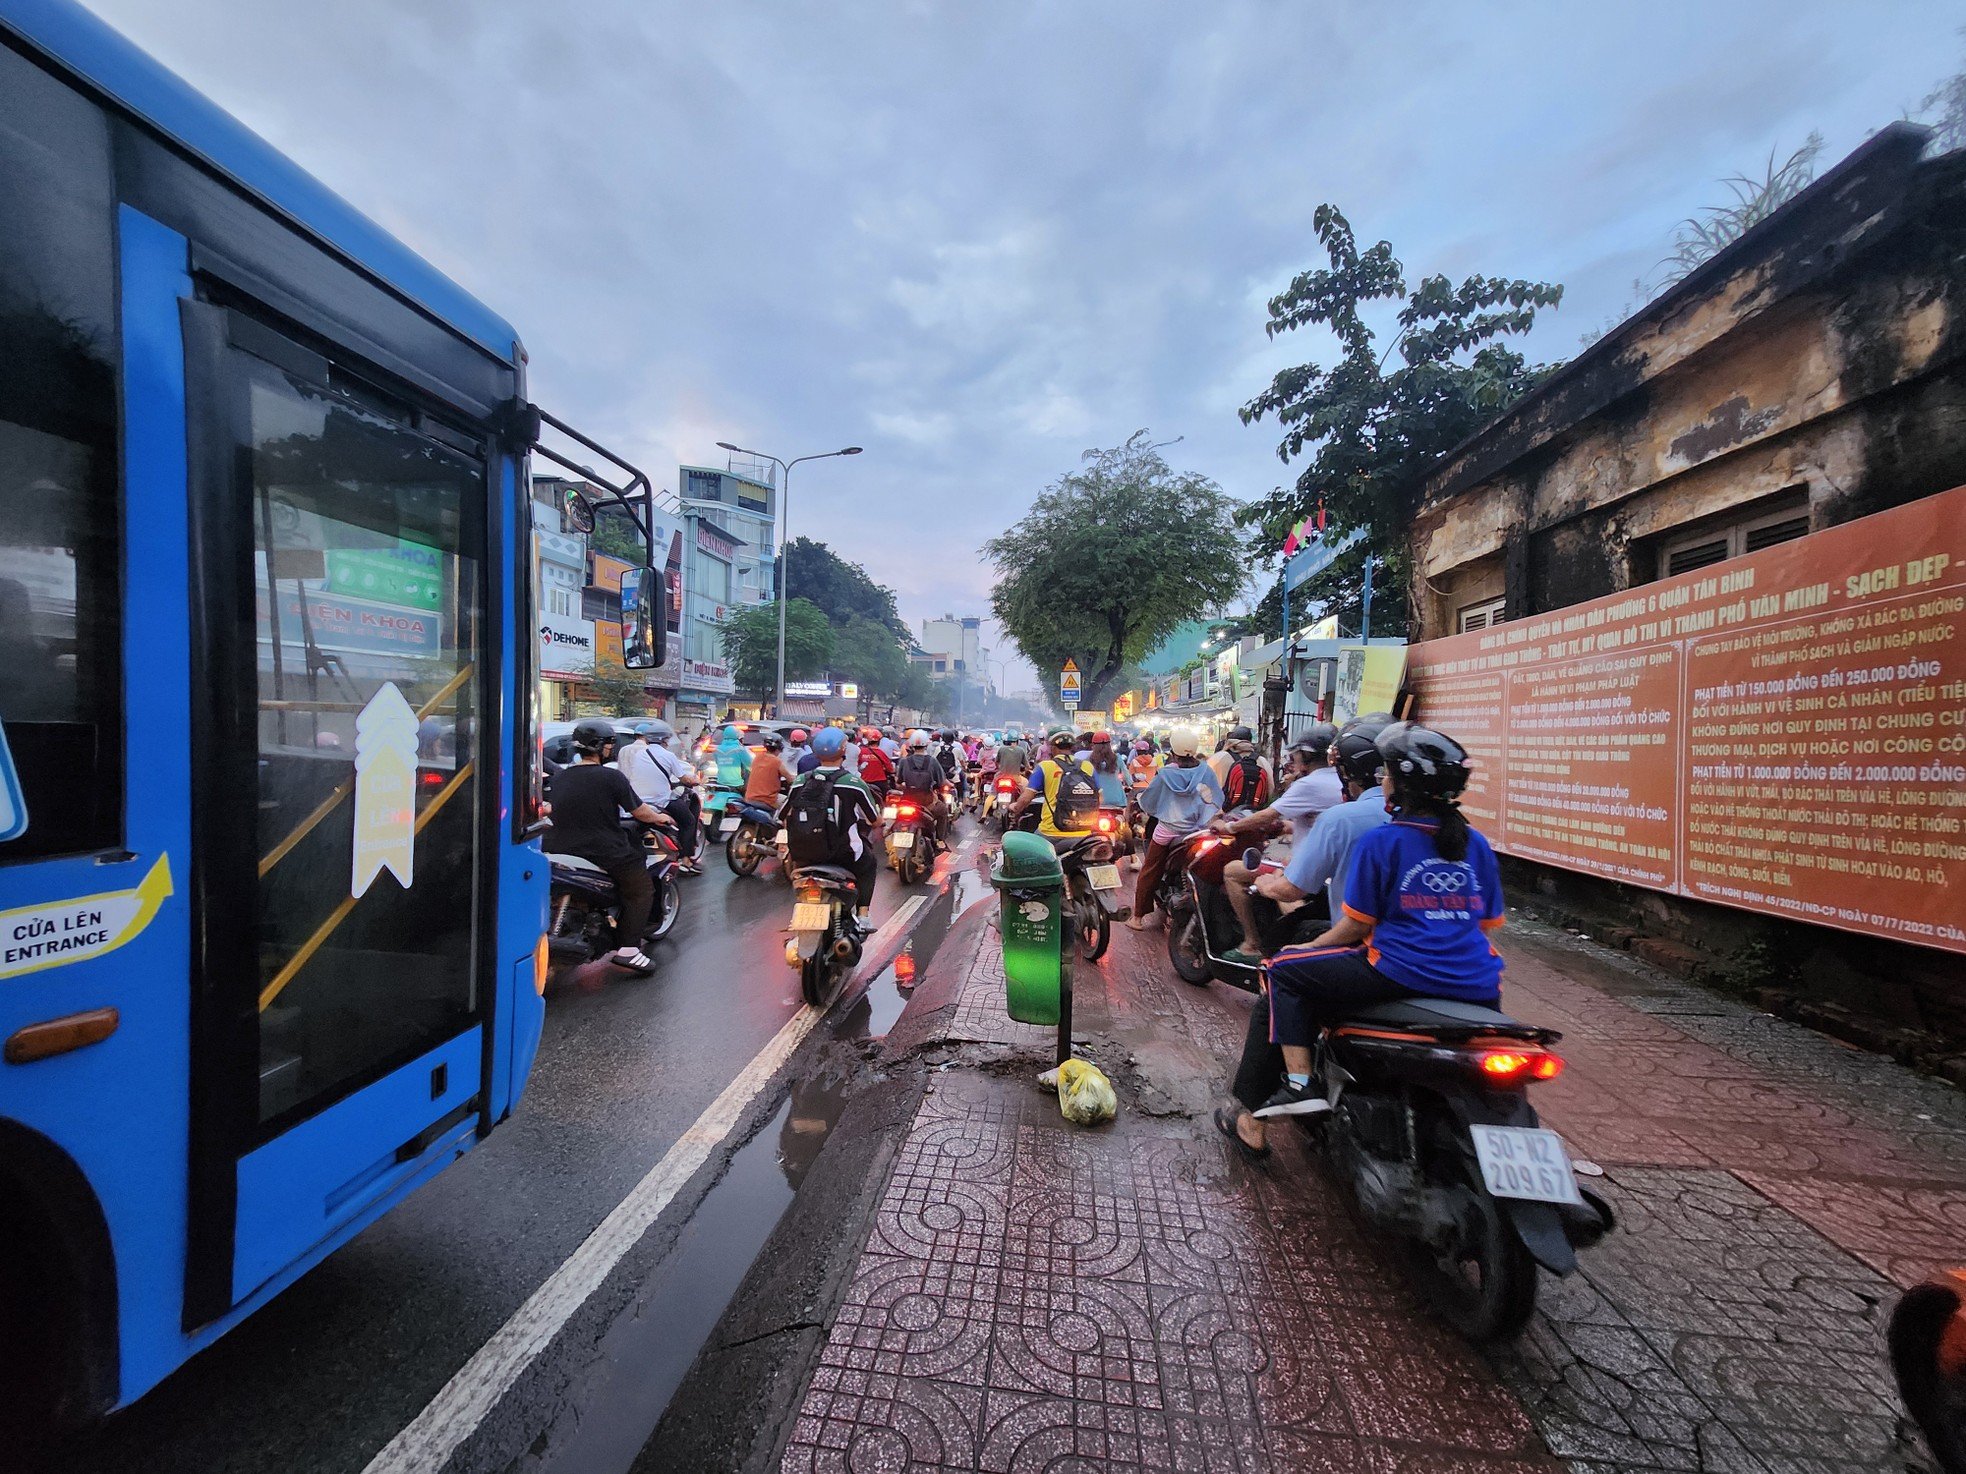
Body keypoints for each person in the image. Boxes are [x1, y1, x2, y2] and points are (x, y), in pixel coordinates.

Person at [1253, 722, 1505, 1120]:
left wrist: (1306, 948)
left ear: (1402, 785)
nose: (1383, 781)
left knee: (1282, 969)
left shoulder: (1382, 841)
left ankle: (1299, 1085)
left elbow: (1354, 929)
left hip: (1396, 971)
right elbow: (1487, 923)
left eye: (1387, 774)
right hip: (1482, 983)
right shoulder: (1476, 843)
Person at [1215, 716, 1392, 1158]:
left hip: (1378, 953)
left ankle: (1263, 1107)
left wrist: (1307, 945)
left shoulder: (1352, 820)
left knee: (1282, 976)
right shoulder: (1464, 836)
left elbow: (1352, 919)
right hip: (1473, 974)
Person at [543, 719, 676, 974]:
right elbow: (640, 812)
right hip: (604, 849)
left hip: (556, 847)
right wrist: (661, 817)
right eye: (610, 744)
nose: (611, 749)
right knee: (640, 890)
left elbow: (553, 808)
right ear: (601, 746)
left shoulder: (561, 777)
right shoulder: (612, 777)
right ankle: (629, 950)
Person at [1210, 722, 1346, 962]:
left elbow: (1267, 813)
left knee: (1232, 872)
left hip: (1304, 865)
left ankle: (1252, 943)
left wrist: (1229, 826)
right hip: (1330, 866)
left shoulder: (1309, 783)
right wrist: (1291, 826)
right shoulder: (1343, 781)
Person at [784, 726, 883, 930]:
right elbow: (874, 820)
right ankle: (863, 914)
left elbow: (783, 815)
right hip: (844, 853)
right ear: (844, 751)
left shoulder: (801, 780)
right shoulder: (854, 782)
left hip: (802, 854)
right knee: (869, 863)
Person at [1126, 727, 1224, 929]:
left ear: (1173, 751)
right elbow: (1215, 798)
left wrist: (1142, 803)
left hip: (1168, 830)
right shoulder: (1205, 770)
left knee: (1150, 870)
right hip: (1197, 831)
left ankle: (1137, 918)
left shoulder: (1166, 773)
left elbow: (1150, 802)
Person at [623, 719, 705, 875]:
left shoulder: (638, 754)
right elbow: (685, 779)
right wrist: (697, 781)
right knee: (688, 821)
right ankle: (685, 860)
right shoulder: (668, 755)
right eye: (667, 739)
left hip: (638, 801)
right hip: (660, 802)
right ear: (663, 740)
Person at [1009, 730, 1100, 843]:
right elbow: (1100, 797)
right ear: (1072, 747)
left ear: (1052, 748)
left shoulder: (1044, 767)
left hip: (1051, 833)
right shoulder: (1087, 766)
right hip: (1085, 833)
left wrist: (1015, 807)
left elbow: (1026, 798)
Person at [894, 729, 950, 842]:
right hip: (927, 802)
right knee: (943, 810)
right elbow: (941, 782)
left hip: (907, 801)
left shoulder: (904, 762)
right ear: (926, 744)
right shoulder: (932, 761)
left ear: (912, 744)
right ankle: (940, 841)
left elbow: (898, 782)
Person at [1209, 726, 1271, 810]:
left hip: (1221, 814)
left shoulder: (1219, 758)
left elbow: (1204, 789)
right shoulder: (1263, 761)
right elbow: (1270, 790)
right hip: (1253, 816)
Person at [745, 731, 790, 808]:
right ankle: (781, 820)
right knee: (789, 804)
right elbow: (790, 779)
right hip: (767, 800)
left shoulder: (757, 757)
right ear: (780, 747)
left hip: (749, 798)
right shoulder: (776, 761)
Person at [1087, 731, 1127, 808]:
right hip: (1116, 799)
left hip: (1095, 799)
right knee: (1121, 819)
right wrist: (1131, 783)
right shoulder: (1117, 758)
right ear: (1109, 744)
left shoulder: (1089, 759)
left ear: (1093, 745)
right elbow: (1126, 775)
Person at [859, 727, 898, 793]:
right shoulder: (881, 753)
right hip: (880, 782)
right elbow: (889, 768)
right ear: (879, 740)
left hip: (864, 781)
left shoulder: (861, 752)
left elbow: (857, 765)